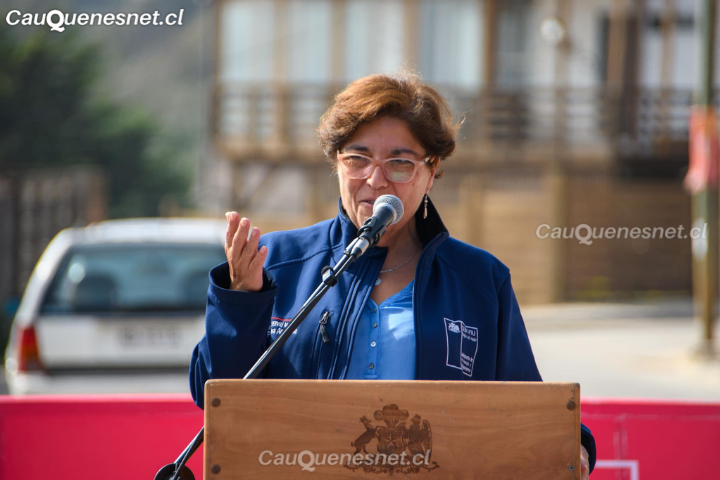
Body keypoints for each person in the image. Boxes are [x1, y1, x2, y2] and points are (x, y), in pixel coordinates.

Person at [189, 71, 596, 477]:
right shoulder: (277, 262)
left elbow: (522, 400)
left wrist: (570, 442)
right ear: (336, 163)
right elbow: (215, 395)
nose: (375, 179)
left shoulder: (480, 279)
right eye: (357, 159)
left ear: (431, 171)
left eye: (399, 163)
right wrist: (242, 300)